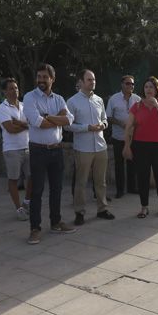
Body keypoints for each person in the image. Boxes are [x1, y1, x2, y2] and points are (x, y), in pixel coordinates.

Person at [22, 64, 77, 244]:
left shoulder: (59, 99)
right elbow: (37, 122)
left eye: (45, 77)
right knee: (37, 191)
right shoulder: (29, 97)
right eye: (39, 77)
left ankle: (56, 222)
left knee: (57, 189)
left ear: (52, 79)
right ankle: (35, 228)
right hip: (38, 150)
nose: (41, 80)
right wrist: (56, 118)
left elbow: (69, 119)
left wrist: (49, 116)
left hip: (56, 149)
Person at [67, 69, 114, 225]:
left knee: (101, 181)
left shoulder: (99, 100)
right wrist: (87, 127)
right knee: (81, 182)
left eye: (93, 79)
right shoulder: (72, 102)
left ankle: (102, 209)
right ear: (81, 81)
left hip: (100, 146)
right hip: (83, 148)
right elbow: (68, 126)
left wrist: (103, 125)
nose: (92, 82)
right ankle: (79, 212)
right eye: (89, 80)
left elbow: (105, 119)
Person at [123, 76, 158, 218]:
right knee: (143, 176)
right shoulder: (137, 106)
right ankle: (144, 207)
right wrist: (127, 146)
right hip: (141, 146)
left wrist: (157, 106)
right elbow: (128, 128)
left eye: (152, 87)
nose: (149, 89)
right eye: (146, 87)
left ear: (157, 89)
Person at [0, 78, 31, 220]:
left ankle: (26, 202)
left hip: (28, 146)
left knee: (32, 176)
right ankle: (18, 208)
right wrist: (24, 125)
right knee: (14, 179)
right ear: (5, 91)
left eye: (16, 88)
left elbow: (32, 123)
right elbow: (10, 129)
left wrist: (18, 122)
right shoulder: (2, 108)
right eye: (11, 88)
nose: (15, 90)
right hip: (12, 150)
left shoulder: (24, 105)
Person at [107, 75, 140, 198]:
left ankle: (132, 187)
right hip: (118, 137)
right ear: (122, 85)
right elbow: (108, 117)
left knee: (133, 163)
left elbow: (141, 116)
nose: (130, 86)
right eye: (128, 84)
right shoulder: (113, 99)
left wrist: (133, 124)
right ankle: (120, 190)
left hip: (133, 137)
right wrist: (121, 123)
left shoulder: (137, 99)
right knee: (119, 164)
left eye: (132, 84)